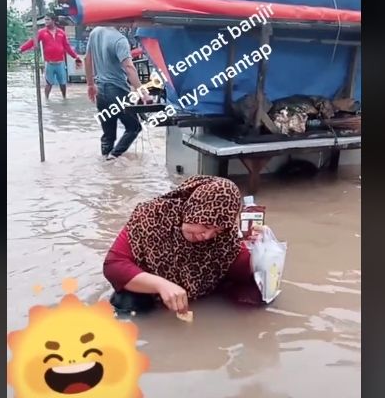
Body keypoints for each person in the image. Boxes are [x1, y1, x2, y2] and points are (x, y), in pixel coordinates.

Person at [103, 175, 263, 314]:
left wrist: (259, 247)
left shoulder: (225, 239)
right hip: (150, 292)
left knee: (254, 295)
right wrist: (161, 285)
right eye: (206, 225)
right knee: (128, 302)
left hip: (195, 300)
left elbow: (242, 270)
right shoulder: (151, 216)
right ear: (193, 210)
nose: (207, 236)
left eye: (216, 231)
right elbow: (114, 265)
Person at [85, 26, 149, 160]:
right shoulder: (120, 40)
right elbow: (129, 67)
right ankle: (113, 158)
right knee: (134, 127)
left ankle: (105, 162)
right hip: (117, 90)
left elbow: (87, 59)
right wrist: (143, 92)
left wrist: (90, 84)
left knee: (108, 134)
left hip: (100, 90)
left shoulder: (95, 32)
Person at [19, 13, 82, 99]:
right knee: (49, 83)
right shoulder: (41, 32)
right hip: (49, 63)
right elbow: (32, 42)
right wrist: (21, 49)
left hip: (60, 63)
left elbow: (67, 47)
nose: (46, 21)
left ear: (53, 21)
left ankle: (64, 98)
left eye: (48, 19)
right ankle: (46, 100)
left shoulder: (61, 33)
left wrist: (76, 56)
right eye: (45, 20)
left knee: (63, 83)